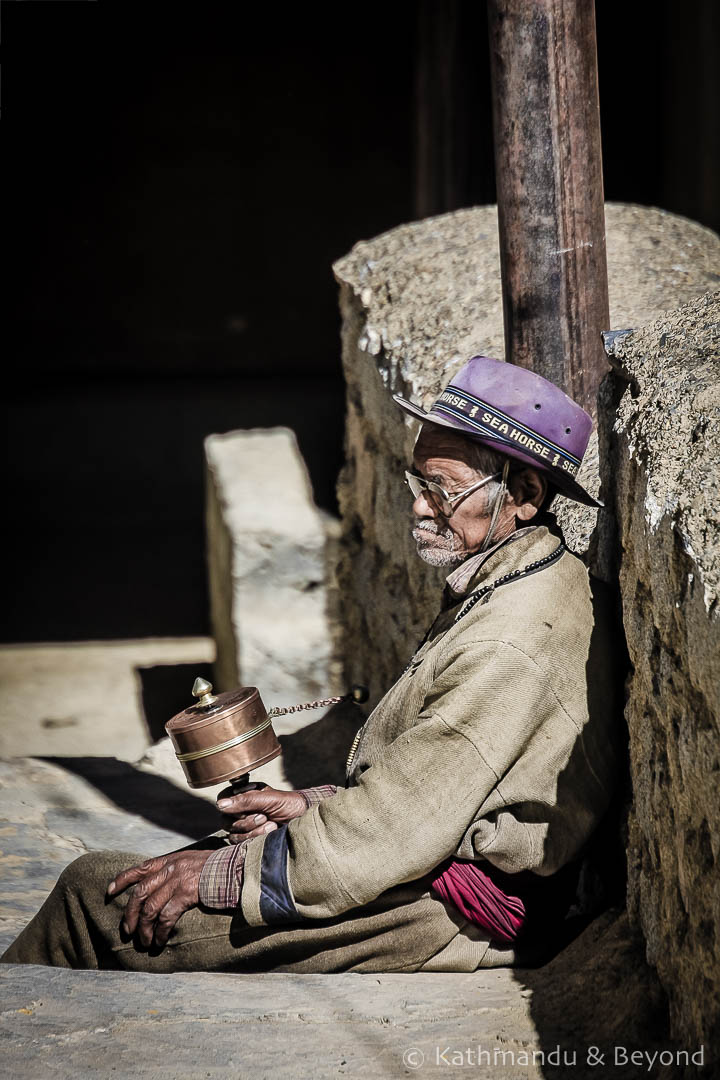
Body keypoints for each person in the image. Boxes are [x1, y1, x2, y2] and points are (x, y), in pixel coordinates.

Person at [2, 355, 621, 973]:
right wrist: (310, 806)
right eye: (416, 484)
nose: (419, 508)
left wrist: (225, 875)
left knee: (93, 899)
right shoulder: (525, 578)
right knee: (135, 878)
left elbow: (390, 834)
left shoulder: (506, 645)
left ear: (524, 495)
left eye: (442, 490)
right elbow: (433, 787)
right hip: (414, 861)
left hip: (441, 910)